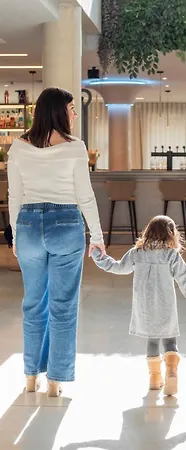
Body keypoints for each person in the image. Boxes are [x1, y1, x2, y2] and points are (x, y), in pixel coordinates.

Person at [8, 87, 105, 397]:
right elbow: (85, 196)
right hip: (65, 224)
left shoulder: (18, 147)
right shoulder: (75, 147)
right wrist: (97, 236)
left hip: (28, 225)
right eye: (71, 109)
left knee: (33, 304)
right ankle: (55, 381)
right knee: (63, 307)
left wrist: (16, 235)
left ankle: (30, 377)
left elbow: (14, 196)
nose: (74, 114)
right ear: (58, 111)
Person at [92, 215, 186, 396]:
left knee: (152, 340)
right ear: (171, 234)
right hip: (166, 304)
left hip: (145, 306)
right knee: (170, 339)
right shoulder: (171, 254)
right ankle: (172, 371)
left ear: (148, 231)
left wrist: (98, 255)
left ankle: (155, 378)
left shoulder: (137, 252)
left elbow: (118, 267)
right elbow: (184, 280)